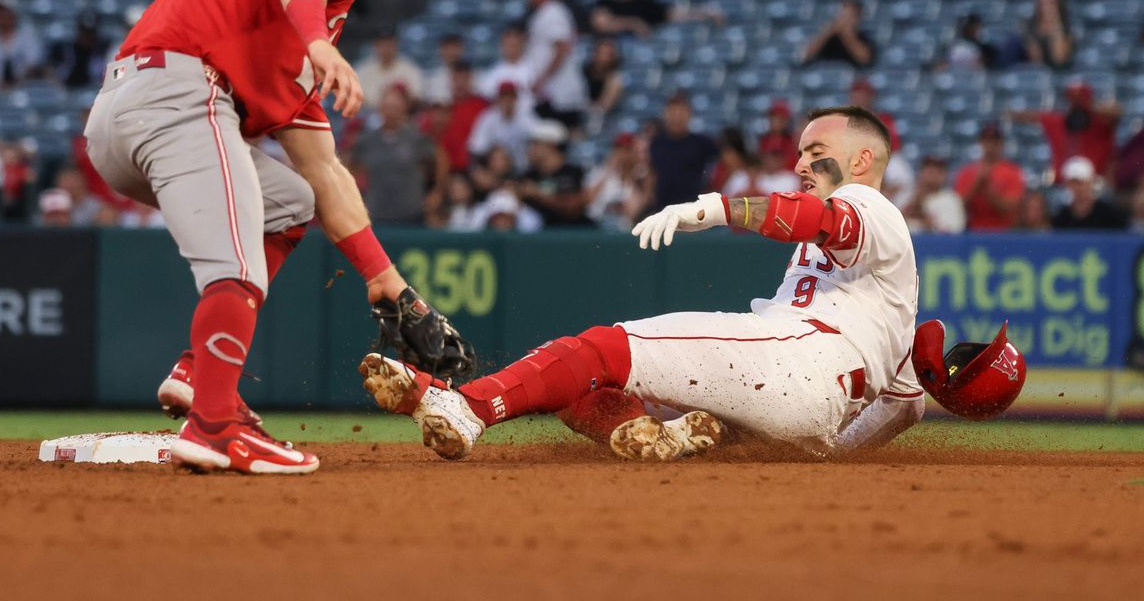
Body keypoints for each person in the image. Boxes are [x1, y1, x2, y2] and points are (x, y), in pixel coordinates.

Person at [359, 106, 1022, 462]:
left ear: (863, 159)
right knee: (578, 383)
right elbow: (904, 407)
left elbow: (815, 218)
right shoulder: (893, 302)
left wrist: (712, 208)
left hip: (795, 356)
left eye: (814, 150)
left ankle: (463, 407)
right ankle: (651, 438)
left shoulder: (874, 209)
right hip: (801, 406)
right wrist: (818, 450)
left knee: (597, 349)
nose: (798, 162)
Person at [84, 0, 471, 475]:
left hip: (122, 119)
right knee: (237, 268)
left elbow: (326, 175)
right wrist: (319, 41)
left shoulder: (284, 51)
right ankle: (213, 427)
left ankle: (198, 372)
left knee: (291, 200)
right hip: (181, 94)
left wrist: (385, 280)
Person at [350, 85, 447, 225]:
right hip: (376, 215)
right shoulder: (367, 140)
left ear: (404, 109)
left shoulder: (416, 138)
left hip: (411, 214)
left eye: (395, 107)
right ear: (381, 109)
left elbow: (440, 159)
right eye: (388, 107)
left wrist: (437, 192)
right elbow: (352, 166)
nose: (391, 112)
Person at [1010, 80, 1119, 179]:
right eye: (1073, 100)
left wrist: (1090, 108)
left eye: (1081, 100)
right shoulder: (1058, 122)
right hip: (1062, 183)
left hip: (1094, 184)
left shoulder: (1101, 125)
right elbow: (1023, 115)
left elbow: (1116, 112)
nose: (1077, 106)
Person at [523, 0, 587, 127]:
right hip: (553, 92)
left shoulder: (553, 11)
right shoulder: (547, 12)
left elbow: (561, 49)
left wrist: (541, 79)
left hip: (560, 93)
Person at [648, 92, 718, 210]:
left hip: (693, 208)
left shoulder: (702, 143)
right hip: (663, 207)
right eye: (673, 112)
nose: (677, 117)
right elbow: (652, 172)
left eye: (681, 112)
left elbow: (721, 166)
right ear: (666, 114)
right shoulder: (657, 143)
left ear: (689, 114)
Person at [517, 118, 591, 227]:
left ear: (550, 145)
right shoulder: (529, 175)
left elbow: (572, 208)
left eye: (535, 143)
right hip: (537, 237)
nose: (530, 149)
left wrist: (538, 194)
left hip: (570, 234)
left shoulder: (572, 172)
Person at [954, 122, 1025, 231]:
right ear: (981, 142)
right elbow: (957, 206)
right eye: (987, 140)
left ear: (1001, 143)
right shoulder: (967, 172)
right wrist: (976, 185)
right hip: (973, 232)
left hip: (1004, 232)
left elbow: (1010, 209)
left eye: (994, 140)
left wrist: (988, 188)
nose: (991, 145)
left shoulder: (1013, 172)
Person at [586, 132, 649, 231]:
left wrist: (628, 175)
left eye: (627, 149)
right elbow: (588, 200)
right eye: (619, 149)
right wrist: (609, 170)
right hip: (596, 226)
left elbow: (637, 210)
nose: (623, 154)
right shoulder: (600, 171)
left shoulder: (641, 174)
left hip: (627, 228)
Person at [467, 81, 535, 171]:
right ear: (498, 99)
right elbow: (477, 147)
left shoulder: (527, 118)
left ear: (516, 98)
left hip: (522, 168)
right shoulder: (488, 117)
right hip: (495, 168)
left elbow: (537, 145)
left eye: (510, 97)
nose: (507, 101)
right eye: (503, 97)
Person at [433, 62, 487, 171]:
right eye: (456, 79)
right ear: (450, 80)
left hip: (473, 167)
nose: (460, 84)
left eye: (464, 79)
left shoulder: (482, 107)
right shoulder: (441, 109)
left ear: (470, 80)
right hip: (445, 168)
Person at [0, 0, 44, 86]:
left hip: (25, 90)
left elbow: (34, 66)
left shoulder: (27, 37)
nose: (1, 15)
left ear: (14, 14)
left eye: (5, 11)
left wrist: (15, 84)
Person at [1051, 156, 1127, 230]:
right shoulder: (1061, 218)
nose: (1078, 188)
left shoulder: (1110, 214)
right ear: (1067, 184)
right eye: (1073, 183)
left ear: (1091, 182)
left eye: (1081, 182)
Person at [355, 29, 424, 107]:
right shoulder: (362, 70)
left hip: (403, 116)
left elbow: (417, 97)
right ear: (375, 45)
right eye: (382, 44)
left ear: (397, 45)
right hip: (369, 115)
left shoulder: (411, 69)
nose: (386, 48)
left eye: (390, 44)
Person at [802, 0, 876, 68]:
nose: (845, 20)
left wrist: (846, 34)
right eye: (843, 15)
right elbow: (807, 55)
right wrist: (829, 31)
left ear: (857, 18)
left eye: (850, 16)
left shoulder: (864, 38)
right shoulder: (828, 38)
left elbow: (865, 59)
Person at [901, 155, 965, 233]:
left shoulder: (952, 199)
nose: (933, 176)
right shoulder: (905, 195)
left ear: (944, 175)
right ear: (921, 173)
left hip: (937, 243)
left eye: (938, 171)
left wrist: (926, 219)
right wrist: (913, 204)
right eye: (930, 171)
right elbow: (892, 225)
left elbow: (955, 231)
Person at [49, 11, 110, 88]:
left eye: (91, 33)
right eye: (84, 32)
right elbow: (51, 72)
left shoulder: (105, 50)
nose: (88, 37)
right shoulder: (64, 50)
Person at [1017, 0, 1073, 70]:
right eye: (1043, 3)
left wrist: (1056, 23)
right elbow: (1035, 60)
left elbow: (1059, 58)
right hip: (1033, 71)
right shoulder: (1030, 26)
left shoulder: (1066, 28)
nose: (1047, 7)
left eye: (1051, 3)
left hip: (1058, 71)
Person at [582, 38, 624, 118]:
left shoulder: (615, 78)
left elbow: (604, 107)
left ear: (613, 57)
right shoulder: (583, 72)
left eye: (606, 54)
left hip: (605, 120)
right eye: (599, 53)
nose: (602, 58)